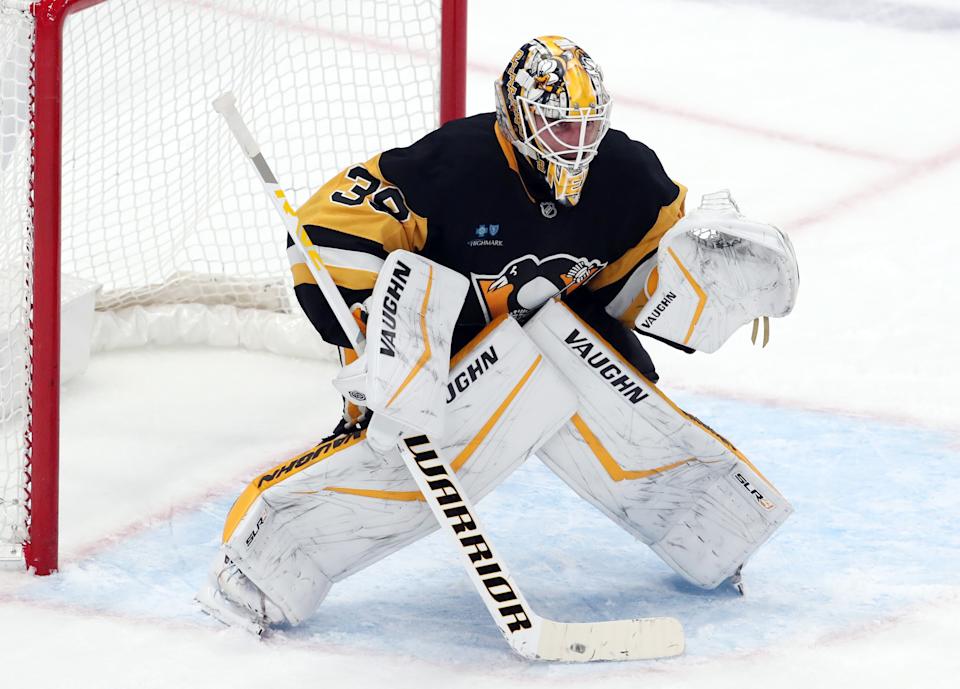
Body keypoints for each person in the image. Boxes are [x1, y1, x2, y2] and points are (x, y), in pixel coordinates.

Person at [197, 35, 795, 635]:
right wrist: (371, 335)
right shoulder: (451, 167)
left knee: (633, 418)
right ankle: (256, 570)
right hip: (446, 351)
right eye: (560, 128)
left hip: (558, 326)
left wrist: (710, 286)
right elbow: (324, 235)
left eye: (589, 127)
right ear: (516, 117)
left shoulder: (627, 174)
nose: (578, 146)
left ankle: (712, 530)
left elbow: (639, 278)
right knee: (396, 450)